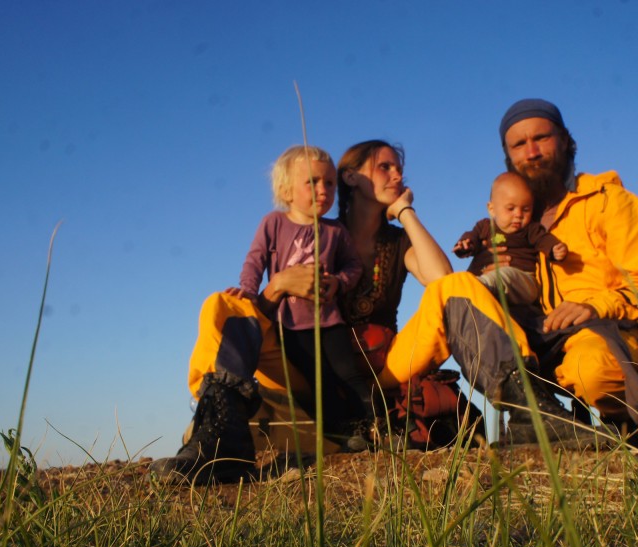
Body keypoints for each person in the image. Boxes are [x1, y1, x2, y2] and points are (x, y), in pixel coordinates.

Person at [148, 140, 454, 482]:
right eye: (385, 167)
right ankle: (219, 433)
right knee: (219, 304)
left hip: (380, 368)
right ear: (352, 177)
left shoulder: (390, 242)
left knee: (457, 288)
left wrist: (404, 212)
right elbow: (255, 262)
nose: (398, 174)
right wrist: (274, 286)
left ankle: (372, 424)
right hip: (301, 355)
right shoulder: (288, 224)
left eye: (399, 167)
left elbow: (442, 280)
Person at [496, 98, 638, 423]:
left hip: (607, 332)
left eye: (541, 138)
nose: (532, 152)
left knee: (589, 370)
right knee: (458, 297)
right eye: (519, 144)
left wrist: (596, 306)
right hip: (539, 342)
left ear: (566, 140)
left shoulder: (608, 202)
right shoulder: (513, 222)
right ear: (508, 157)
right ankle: (538, 421)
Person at [234, 145, 372, 441]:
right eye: (312, 181)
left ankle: (376, 425)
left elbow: (353, 266)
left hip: (330, 321)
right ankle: (340, 435)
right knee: (317, 378)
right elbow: (254, 260)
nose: (323, 189)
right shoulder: (273, 223)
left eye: (330, 183)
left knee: (349, 374)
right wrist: (247, 290)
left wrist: (339, 282)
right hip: (291, 325)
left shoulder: (335, 231)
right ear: (286, 191)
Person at [453, 171, 568, 305]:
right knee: (462, 278)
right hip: (493, 281)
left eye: (525, 209)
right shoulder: (484, 226)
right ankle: (470, 290)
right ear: (492, 209)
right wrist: (464, 245)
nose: (518, 214)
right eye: (511, 208)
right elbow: (471, 238)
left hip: (525, 281)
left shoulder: (531, 228)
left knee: (505, 275)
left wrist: (554, 249)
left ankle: (477, 287)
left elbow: (543, 239)